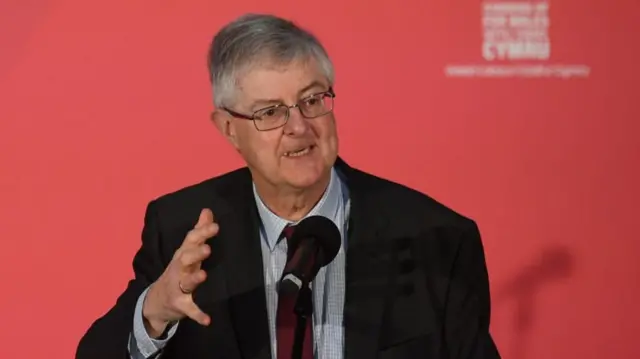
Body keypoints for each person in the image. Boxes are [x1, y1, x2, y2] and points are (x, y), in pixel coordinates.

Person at [76, 13, 501, 359]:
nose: (299, 127)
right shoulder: (183, 232)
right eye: (270, 112)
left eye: (312, 100)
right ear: (228, 129)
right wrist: (155, 310)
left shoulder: (438, 239)